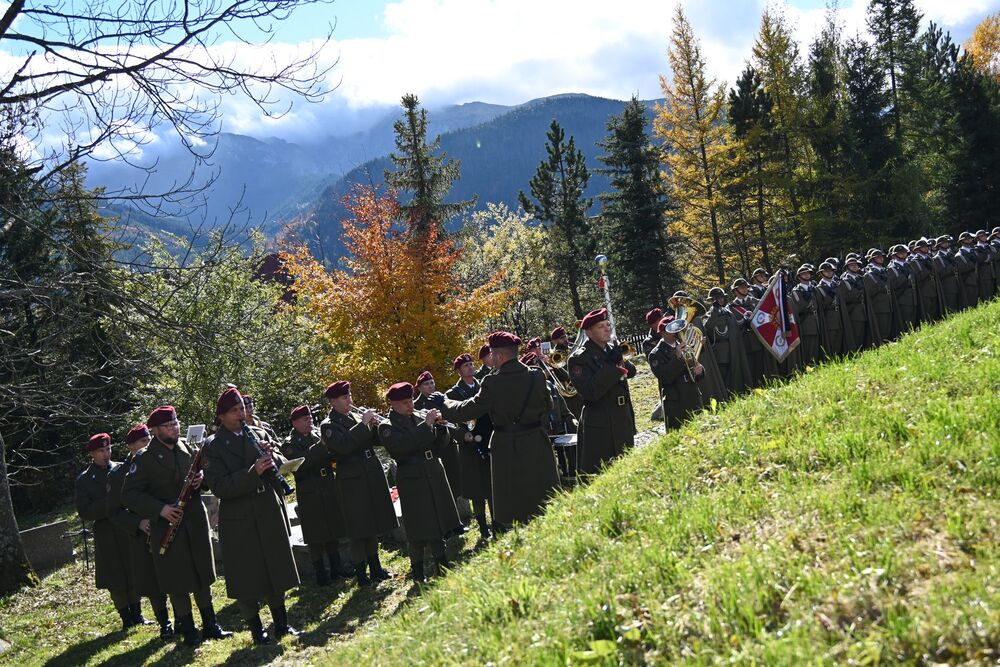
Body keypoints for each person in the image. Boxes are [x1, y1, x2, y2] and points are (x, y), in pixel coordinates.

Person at [122, 405, 229, 646]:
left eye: (176, 423)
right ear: (156, 430)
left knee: (202, 573)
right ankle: (189, 629)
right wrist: (160, 509)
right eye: (169, 426)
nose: (175, 428)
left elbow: (200, 480)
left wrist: (201, 481)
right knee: (177, 579)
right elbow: (129, 495)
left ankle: (211, 625)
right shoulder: (144, 458)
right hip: (167, 525)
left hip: (194, 519)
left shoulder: (186, 448)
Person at [201, 387, 300, 645]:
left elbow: (278, 461)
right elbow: (220, 487)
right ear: (221, 416)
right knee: (247, 574)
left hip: (266, 507)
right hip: (239, 516)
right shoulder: (212, 446)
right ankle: (257, 630)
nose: (240, 414)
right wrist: (252, 471)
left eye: (241, 409)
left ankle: (282, 624)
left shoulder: (256, 433)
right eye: (234, 411)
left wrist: (271, 457)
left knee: (274, 567)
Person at [436, 332, 560, 530]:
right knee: (541, 489)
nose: (490, 358)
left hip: (507, 443)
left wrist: (444, 403)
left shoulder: (492, 382)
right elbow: (548, 405)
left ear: (500, 356)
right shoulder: (537, 375)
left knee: (514, 496)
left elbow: (467, 410)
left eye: (492, 354)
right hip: (537, 438)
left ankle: (522, 532)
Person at [381, 381, 463, 582]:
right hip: (411, 476)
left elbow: (440, 444)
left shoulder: (418, 415)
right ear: (393, 404)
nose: (410, 405)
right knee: (418, 525)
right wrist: (426, 426)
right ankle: (417, 572)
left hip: (432, 469)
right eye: (404, 403)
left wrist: (441, 429)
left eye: (410, 400)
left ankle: (442, 564)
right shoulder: (387, 426)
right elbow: (400, 447)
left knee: (437, 519)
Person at [319, 381, 396, 586]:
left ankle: (376, 568)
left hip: (370, 473)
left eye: (349, 396)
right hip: (351, 479)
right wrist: (363, 425)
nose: (349, 401)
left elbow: (373, 440)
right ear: (333, 401)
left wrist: (380, 427)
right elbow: (344, 446)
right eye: (344, 398)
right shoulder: (328, 425)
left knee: (372, 523)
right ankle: (361, 575)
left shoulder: (354, 417)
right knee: (358, 528)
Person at [106, 424, 173, 638]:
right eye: (142, 442)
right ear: (131, 446)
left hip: (165, 526)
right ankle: (165, 623)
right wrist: (138, 523)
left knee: (174, 574)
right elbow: (114, 511)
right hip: (141, 535)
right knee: (153, 581)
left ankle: (182, 618)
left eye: (148, 440)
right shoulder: (118, 474)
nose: (147, 445)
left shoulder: (156, 461)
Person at [75, 433, 139, 633]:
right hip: (106, 532)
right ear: (92, 454)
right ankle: (126, 617)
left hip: (126, 526)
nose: (105, 454)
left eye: (108, 449)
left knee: (132, 569)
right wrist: (111, 502)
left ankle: (138, 614)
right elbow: (85, 511)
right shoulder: (85, 480)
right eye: (101, 451)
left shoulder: (121, 469)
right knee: (115, 576)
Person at [280, 404, 349, 587]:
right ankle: (320, 573)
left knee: (332, 527)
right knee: (314, 533)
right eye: (305, 419)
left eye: (310, 417)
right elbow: (302, 463)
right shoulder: (289, 444)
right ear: (295, 423)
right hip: (309, 489)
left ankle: (337, 568)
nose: (309, 421)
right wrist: (321, 447)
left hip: (327, 485)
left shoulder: (317, 435)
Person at [567, 308, 637, 475]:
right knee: (603, 471)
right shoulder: (578, 358)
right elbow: (591, 391)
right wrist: (612, 366)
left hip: (622, 417)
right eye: (601, 326)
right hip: (601, 422)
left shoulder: (610, 350)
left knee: (628, 469)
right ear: (589, 332)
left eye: (607, 325)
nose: (607, 329)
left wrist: (619, 359)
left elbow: (632, 372)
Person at [444, 354, 495, 540]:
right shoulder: (452, 394)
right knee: (477, 488)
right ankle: (483, 527)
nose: (470, 367)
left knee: (491, 483)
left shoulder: (484, 385)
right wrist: (462, 436)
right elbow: (449, 422)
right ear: (458, 371)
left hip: (489, 439)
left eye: (471, 364)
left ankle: (497, 522)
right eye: (465, 365)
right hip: (470, 445)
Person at [648, 316, 705, 429]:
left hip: (693, 396)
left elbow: (694, 367)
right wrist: (678, 358)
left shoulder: (684, 345)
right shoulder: (655, 354)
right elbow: (666, 377)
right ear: (662, 333)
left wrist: (700, 371)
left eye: (677, 328)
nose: (677, 332)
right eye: (672, 329)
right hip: (676, 402)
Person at [413, 370, 461, 502]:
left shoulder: (443, 398)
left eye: (432, 382)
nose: (431, 386)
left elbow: (454, 416)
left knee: (454, 476)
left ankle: (459, 508)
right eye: (427, 384)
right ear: (420, 388)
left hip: (449, 443)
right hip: (434, 447)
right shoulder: (416, 405)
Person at [702, 287, 751, 395]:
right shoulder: (708, 315)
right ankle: (725, 397)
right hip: (721, 353)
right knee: (724, 377)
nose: (721, 300)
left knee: (735, 375)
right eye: (717, 298)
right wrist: (715, 310)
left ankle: (736, 394)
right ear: (712, 300)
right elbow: (708, 327)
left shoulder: (728, 312)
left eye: (722, 297)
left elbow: (735, 326)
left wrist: (745, 321)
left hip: (733, 348)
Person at [816, 261, 854, 358]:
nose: (829, 272)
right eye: (826, 271)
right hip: (829, 319)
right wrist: (829, 297)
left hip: (839, 317)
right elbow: (821, 306)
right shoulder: (819, 288)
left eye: (831, 271)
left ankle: (839, 359)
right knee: (831, 342)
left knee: (839, 341)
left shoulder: (836, 285)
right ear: (821, 273)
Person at [863, 248, 899, 344]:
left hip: (888, 303)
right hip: (879, 306)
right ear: (872, 259)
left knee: (888, 327)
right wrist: (881, 286)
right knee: (882, 329)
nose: (881, 258)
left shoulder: (884, 271)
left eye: (881, 256)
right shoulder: (869, 275)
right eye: (878, 257)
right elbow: (870, 292)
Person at [790, 265, 822, 367]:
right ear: (799, 277)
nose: (807, 275)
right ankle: (811, 366)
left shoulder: (813, 288)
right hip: (807, 321)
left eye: (808, 273)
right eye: (804, 273)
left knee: (818, 344)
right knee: (810, 345)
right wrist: (807, 299)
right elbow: (799, 308)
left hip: (817, 319)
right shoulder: (796, 291)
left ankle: (818, 363)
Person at [838, 255, 871, 351]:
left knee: (864, 334)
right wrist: (856, 294)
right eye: (852, 265)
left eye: (856, 264)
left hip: (864, 309)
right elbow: (845, 299)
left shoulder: (861, 278)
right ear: (847, 267)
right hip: (853, 312)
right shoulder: (845, 281)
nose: (854, 266)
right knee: (856, 335)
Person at [887, 244, 918, 332]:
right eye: (900, 253)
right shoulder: (891, 269)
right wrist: (904, 277)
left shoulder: (908, 265)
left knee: (913, 319)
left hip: (912, 296)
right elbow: (894, 285)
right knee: (905, 321)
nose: (903, 255)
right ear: (895, 255)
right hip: (903, 299)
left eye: (904, 253)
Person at [910, 238, 942, 323]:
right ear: (917, 249)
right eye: (923, 247)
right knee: (927, 311)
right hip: (924, 289)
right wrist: (927, 270)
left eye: (927, 247)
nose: (926, 248)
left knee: (934, 310)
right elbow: (918, 276)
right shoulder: (915, 261)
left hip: (933, 287)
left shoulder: (929, 258)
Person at [933, 235, 964, 314]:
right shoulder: (937, 258)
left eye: (947, 242)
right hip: (947, 286)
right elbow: (941, 273)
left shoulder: (950, 254)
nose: (946, 244)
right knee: (951, 307)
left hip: (957, 283)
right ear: (939, 245)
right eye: (943, 243)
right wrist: (951, 266)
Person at [955, 231, 981, 308]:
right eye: (966, 239)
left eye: (969, 239)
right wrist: (972, 262)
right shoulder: (959, 255)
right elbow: (962, 269)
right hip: (968, 282)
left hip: (977, 279)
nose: (969, 241)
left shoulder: (973, 251)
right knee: (970, 303)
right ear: (962, 241)